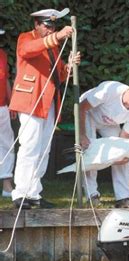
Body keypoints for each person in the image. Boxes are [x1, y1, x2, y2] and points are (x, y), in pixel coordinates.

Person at [9, 8, 81, 209]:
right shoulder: (26, 38)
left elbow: (58, 77)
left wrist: (68, 67)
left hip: (48, 103)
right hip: (31, 101)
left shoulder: (53, 47)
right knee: (29, 147)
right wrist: (57, 36)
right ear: (37, 25)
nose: (51, 30)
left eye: (53, 26)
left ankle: (34, 193)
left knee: (43, 150)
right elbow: (27, 50)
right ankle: (21, 193)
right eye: (47, 26)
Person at [79, 80, 129, 208]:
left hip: (109, 123)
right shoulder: (110, 90)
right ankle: (92, 195)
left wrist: (122, 155)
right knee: (90, 151)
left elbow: (124, 136)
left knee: (122, 155)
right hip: (88, 114)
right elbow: (82, 108)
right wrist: (82, 135)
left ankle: (123, 197)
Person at [0, 27, 15, 198]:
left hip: (3, 106)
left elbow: (6, 79)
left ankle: (6, 185)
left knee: (6, 144)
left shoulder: (2, 54)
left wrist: (11, 102)